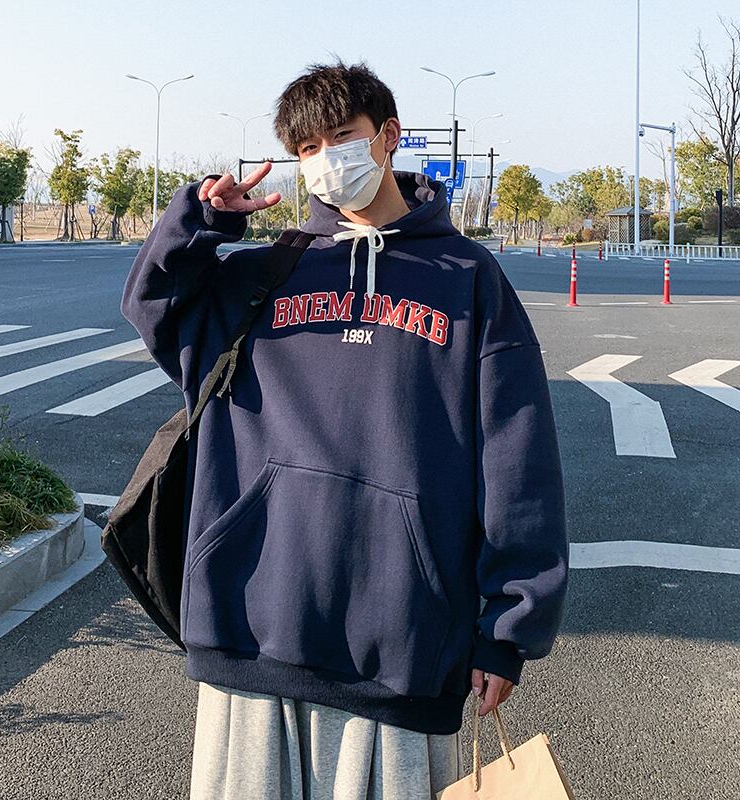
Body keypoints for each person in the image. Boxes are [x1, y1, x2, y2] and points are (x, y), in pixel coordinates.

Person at [120, 58, 568, 800]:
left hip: (402, 649)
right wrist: (201, 219)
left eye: (342, 136)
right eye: (307, 148)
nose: (326, 159)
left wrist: (508, 629)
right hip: (251, 629)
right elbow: (155, 306)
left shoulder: (468, 278)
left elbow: (518, 458)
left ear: (388, 135)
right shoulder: (265, 274)